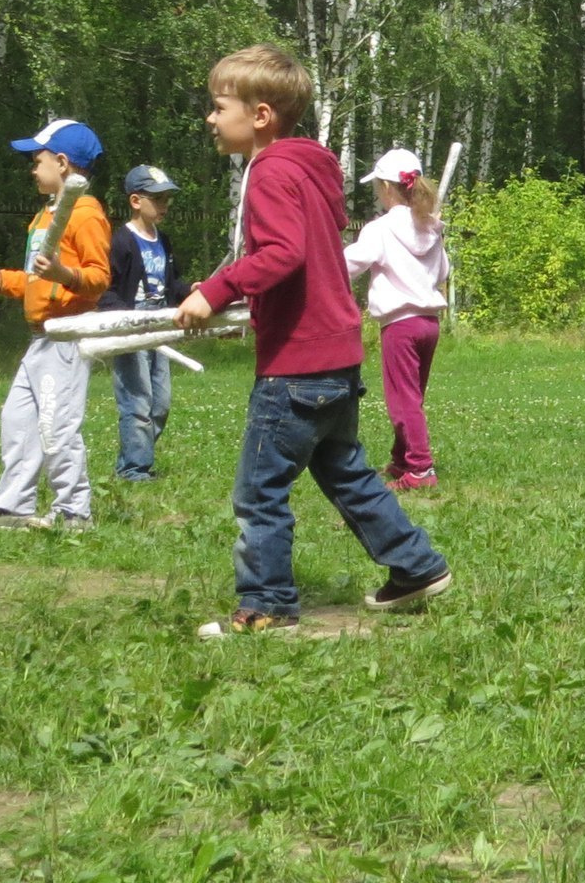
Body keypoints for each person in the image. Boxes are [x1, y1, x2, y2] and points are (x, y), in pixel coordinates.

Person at [176, 44, 450, 634]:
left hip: (296, 366)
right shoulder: (311, 168)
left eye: (218, 105)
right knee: (346, 472)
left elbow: (282, 254)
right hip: (337, 356)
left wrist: (216, 289)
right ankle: (416, 566)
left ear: (261, 115)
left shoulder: (271, 171)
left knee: (260, 490)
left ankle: (266, 606)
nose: (209, 117)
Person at [0, 119, 111, 530]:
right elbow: (34, 278)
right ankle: (14, 508)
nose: (33, 168)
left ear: (62, 163)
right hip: (39, 340)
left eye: (38, 160)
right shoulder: (46, 216)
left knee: (57, 426)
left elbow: (99, 279)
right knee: (18, 421)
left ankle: (73, 512)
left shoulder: (85, 214)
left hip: (66, 335)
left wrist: (66, 276)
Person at [345, 147, 450, 489]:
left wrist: (322, 268)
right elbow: (443, 271)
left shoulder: (381, 229)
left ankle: (420, 469)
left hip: (400, 325)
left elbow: (350, 264)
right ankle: (402, 459)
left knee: (402, 399)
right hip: (429, 323)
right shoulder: (431, 227)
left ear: (388, 189)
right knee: (412, 395)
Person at [102, 164, 188, 482]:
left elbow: (172, 284)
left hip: (160, 329)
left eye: (167, 198)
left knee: (160, 402)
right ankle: (134, 469)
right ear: (136, 200)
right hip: (131, 331)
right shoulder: (122, 241)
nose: (164, 205)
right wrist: (121, 318)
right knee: (137, 399)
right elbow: (106, 289)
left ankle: (136, 457)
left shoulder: (162, 241)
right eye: (158, 198)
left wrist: (194, 292)